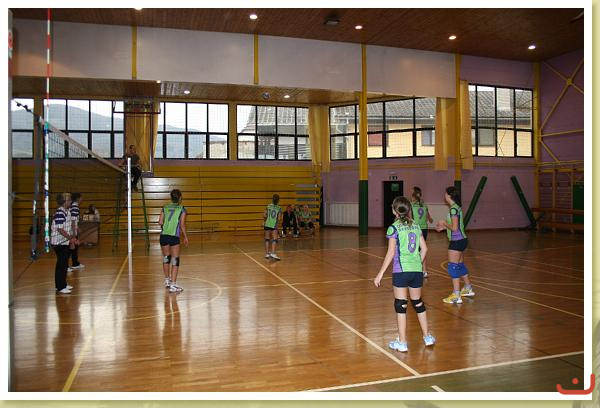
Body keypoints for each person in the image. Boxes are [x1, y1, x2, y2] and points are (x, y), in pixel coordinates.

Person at [374, 196, 435, 352]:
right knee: (418, 303)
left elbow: (390, 253)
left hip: (401, 271)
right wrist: (418, 263)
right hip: (416, 271)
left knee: (400, 305)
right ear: (408, 210)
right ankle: (427, 336)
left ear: (395, 211)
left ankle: (402, 342)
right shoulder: (416, 225)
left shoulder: (393, 228)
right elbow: (425, 249)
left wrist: (380, 273)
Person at [435, 186, 475, 304]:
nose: (444, 195)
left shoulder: (453, 209)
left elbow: (455, 228)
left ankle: (456, 295)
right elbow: (456, 226)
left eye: (445, 193)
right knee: (460, 265)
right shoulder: (456, 207)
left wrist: (444, 223)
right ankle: (468, 288)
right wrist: (444, 228)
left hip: (457, 241)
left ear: (449, 195)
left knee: (453, 267)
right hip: (462, 240)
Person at [159, 189, 189, 293]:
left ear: (171, 198)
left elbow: (160, 221)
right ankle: (173, 285)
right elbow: (182, 225)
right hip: (174, 236)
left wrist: (166, 228)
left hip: (163, 236)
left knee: (166, 257)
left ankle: (167, 280)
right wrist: (185, 237)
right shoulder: (182, 209)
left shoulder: (165, 207)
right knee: (175, 259)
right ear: (180, 198)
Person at [50, 193, 77, 294]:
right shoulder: (60, 212)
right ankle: (60, 286)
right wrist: (71, 239)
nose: (71, 201)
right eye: (69, 200)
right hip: (58, 243)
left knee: (64, 264)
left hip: (64, 242)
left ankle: (62, 284)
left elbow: (68, 227)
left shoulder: (67, 211)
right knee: (62, 264)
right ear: (64, 202)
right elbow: (60, 229)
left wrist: (72, 240)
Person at [411, 187, 433, 277]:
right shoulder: (424, 205)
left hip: (416, 229)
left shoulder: (411, 205)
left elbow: (410, 218)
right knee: (422, 249)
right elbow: (428, 217)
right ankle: (424, 271)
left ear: (413, 196)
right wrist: (430, 219)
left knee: (415, 250)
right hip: (424, 229)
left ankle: (416, 270)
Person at [68, 192, 84, 272]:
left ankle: (75, 263)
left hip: (72, 229)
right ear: (78, 198)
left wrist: (77, 228)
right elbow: (73, 220)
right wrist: (74, 234)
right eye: (81, 197)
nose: (82, 199)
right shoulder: (75, 207)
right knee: (70, 248)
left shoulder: (73, 206)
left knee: (74, 248)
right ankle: (67, 266)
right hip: (71, 231)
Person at [263, 194, 282, 260]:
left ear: (272, 199)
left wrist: (265, 221)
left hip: (267, 224)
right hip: (274, 225)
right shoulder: (279, 208)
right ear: (278, 200)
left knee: (267, 239)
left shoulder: (268, 206)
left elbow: (264, 215)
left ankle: (267, 254)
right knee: (275, 239)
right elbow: (279, 218)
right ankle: (273, 253)